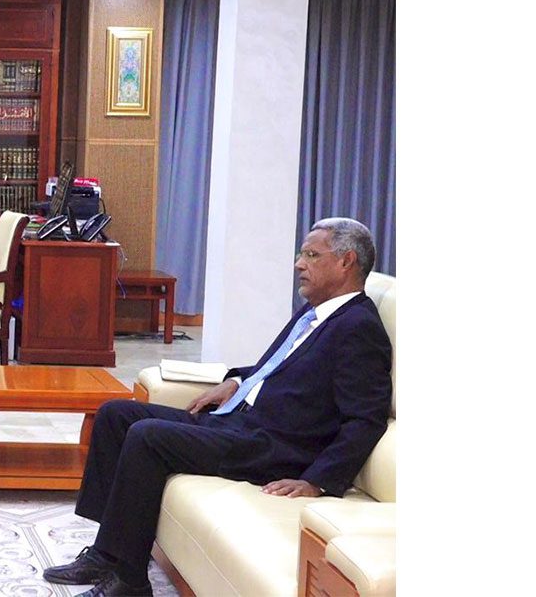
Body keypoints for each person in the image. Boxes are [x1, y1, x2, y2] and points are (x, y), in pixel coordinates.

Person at [43, 218, 392, 597]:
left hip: (272, 446)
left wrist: (317, 480)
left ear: (346, 261)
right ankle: (107, 554)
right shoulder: (317, 312)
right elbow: (281, 367)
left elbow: (365, 418)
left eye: (311, 255)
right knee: (116, 414)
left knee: (147, 437)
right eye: (301, 254)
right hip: (239, 423)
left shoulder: (359, 327)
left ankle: (130, 582)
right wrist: (237, 381)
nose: (298, 264)